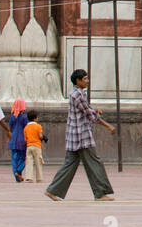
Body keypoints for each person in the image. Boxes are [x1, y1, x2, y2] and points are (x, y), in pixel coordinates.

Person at [45, 70, 116, 202]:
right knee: (94, 163)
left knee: (69, 164)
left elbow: (85, 110)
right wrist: (108, 126)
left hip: (74, 136)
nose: (87, 81)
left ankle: (52, 190)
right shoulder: (77, 95)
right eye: (84, 79)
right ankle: (100, 193)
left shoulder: (78, 94)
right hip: (81, 136)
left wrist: (94, 110)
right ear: (78, 81)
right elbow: (88, 114)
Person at [7, 98, 29, 183]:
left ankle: (17, 176)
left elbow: (10, 128)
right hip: (22, 139)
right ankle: (19, 171)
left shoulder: (12, 117)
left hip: (13, 139)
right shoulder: (24, 117)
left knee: (14, 158)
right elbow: (26, 128)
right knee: (23, 157)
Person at [23, 111, 47, 183]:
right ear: (35, 119)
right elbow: (40, 136)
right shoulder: (38, 126)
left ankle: (29, 178)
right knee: (38, 162)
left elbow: (25, 139)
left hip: (29, 146)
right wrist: (43, 138)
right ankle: (39, 178)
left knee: (29, 162)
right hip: (37, 146)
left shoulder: (26, 127)